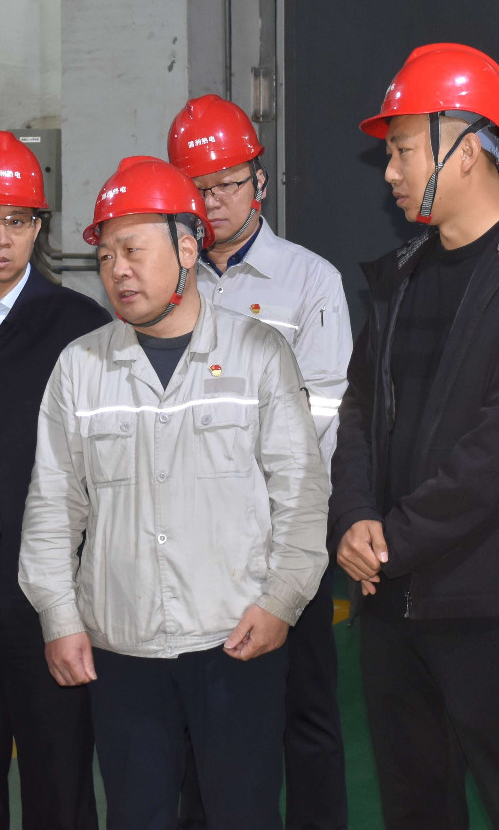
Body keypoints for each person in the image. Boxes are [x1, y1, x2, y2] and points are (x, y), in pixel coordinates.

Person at [20, 155, 329, 830]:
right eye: (106, 256)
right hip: (122, 648)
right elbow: (52, 507)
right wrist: (59, 617)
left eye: (134, 250)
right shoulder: (80, 367)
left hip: (236, 639)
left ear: (188, 250)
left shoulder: (257, 353)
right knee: (137, 815)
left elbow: (301, 493)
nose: (118, 271)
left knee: (243, 814)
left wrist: (281, 600)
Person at [328, 43, 499, 830]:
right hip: (394, 598)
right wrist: (354, 517)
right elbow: (358, 411)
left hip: (493, 598)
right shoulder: (402, 275)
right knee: (415, 806)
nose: (390, 172)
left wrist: (394, 540)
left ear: (466, 150)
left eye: (403, 150)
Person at [166, 95, 352, 830]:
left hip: (285, 538)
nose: (213, 202)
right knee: (198, 717)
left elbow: (321, 415)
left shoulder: (309, 281)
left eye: (228, 185)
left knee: (304, 713)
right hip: (189, 544)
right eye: (198, 188)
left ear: (260, 183)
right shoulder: (165, 279)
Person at [0, 130, 111, 830]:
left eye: (16, 220)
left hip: (51, 606)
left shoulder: (81, 329)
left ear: (39, 227)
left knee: (60, 787)